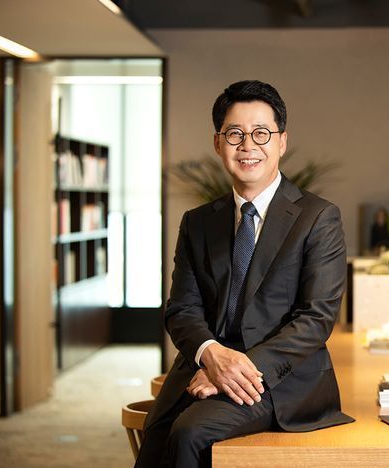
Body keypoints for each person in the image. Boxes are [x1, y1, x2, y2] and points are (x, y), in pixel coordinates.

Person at [136, 80, 353, 467]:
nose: (247, 145)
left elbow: (316, 318)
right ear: (218, 143)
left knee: (191, 433)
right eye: (234, 134)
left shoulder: (318, 218)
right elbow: (182, 310)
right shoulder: (198, 222)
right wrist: (212, 356)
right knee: (156, 437)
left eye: (261, 133)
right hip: (205, 366)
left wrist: (235, 369)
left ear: (281, 142)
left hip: (279, 379)